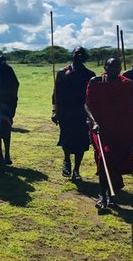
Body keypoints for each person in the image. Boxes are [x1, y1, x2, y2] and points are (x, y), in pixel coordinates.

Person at [85, 58, 133, 210]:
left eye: (118, 66)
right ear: (105, 67)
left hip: (121, 128)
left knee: (115, 158)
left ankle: (111, 191)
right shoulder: (95, 82)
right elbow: (86, 104)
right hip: (99, 127)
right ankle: (103, 194)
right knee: (104, 157)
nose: (115, 69)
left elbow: (127, 108)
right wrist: (93, 121)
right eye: (111, 66)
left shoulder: (126, 84)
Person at [52, 47, 95, 180]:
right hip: (65, 112)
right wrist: (55, 111)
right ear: (72, 55)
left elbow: (92, 96)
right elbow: (56, 93)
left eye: (82, 54)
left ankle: (76, 170)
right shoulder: (62, 72)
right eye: (77, 53)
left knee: (81, 142)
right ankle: (66, 160)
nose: (79, 56)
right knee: (66, 139)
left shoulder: (89, 74)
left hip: (82, 113)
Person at [0, 53, 20, 165]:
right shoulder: (7, 69)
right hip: (7, 105)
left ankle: (3, 155)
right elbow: (16, 84)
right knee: (5, 130)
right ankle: (5, 154)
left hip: (2, 105)